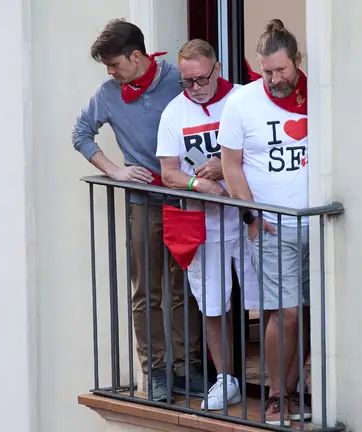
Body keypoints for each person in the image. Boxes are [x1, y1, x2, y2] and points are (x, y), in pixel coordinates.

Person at [71, 18, 205, 402]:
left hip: (186, 196)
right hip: (144, 202)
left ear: (136, 55)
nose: (111, 72)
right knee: (147, 292)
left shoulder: (180, 78)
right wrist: (116, 171)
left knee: (185, 288)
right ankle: (156, 372)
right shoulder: (108, 94)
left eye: (115, 64)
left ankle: (187, 368)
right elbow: (80, 133)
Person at [156, 39, 261, 411]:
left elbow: (264, 151)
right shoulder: (175, 112)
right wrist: (200, 184)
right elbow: (168, 173)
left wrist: (227, 167)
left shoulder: (244, 98)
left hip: (250, 217)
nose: (196, 88)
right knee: (213, 305)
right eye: (187, 82)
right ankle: (227, 379)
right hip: (204, 223)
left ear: (217, 69)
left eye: (202, 79)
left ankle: (279, 383)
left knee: (268, 299)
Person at [219, 19, 312, 425]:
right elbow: (231, 166)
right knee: (284, 311)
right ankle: (274, 395)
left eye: (281, 70)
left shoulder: (319, 94)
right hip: (272, 226)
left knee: (309, 312)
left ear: (297, 61)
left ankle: (292, 390)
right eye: (266, 71)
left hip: (319, 222)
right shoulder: (241, 102)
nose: (273, 79)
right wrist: (251, 217)